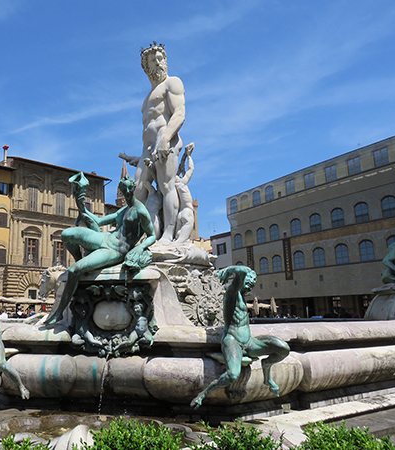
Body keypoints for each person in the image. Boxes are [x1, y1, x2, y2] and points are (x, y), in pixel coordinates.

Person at [45, 175, 156, 325]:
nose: (127, 192)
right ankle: (81, 262)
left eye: (130, 189)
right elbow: (98, 221)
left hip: (117, 250)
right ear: (121, 190)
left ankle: (59, 312)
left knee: (74, 270)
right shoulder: (123, 210)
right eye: (124, 189)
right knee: (66, 234)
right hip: (105, 237)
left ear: (134, 189)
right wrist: (82, 206)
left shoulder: (140, 210)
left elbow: (152, 235)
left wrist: (140, 247)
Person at [191, 266, 290, 408]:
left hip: (249, 342)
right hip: (233, 340)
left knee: (283, 348)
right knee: (232, 375)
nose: (250, 286)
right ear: (241, 281)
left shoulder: (243, 298)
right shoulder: (232, 293)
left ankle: (267, 373)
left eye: (252, 284)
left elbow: (243, 273)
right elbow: (242, 271)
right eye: (248, 282)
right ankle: (203, 394)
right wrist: (228, 271)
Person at [132, 42, 186, 243]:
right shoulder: (147, 99)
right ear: (146, 67)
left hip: (166, 140)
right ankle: (146, 235)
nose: (158, 62)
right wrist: (139, 156)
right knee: (138, 190)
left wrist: (165, 138)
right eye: (153, 60)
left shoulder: (172, 83)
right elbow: (147, 128)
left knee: (166, 186)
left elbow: (179, 113)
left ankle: (168, 235)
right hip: (147, 148)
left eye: (161, 59)